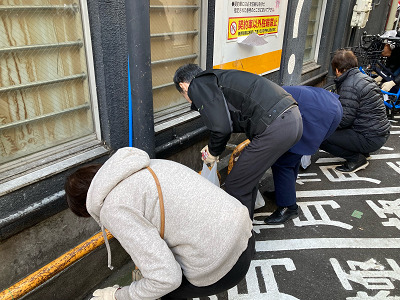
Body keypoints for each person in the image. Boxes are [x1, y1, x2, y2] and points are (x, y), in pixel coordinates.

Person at [65, 147, 254, 300]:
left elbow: (166, 279)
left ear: (86, 206)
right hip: (244, 229)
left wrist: (117, 295)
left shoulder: (113, 208)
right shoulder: (148, 163)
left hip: (224, 263)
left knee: (158, 292)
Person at [173, 64, 303, 220]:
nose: (189, 101)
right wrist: (214, 146)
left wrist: (213, 153)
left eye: (184, 95)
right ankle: (246, 225)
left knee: (236, 185)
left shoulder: (198, 84)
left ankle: (242, 240)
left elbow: (222, 127)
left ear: (183, 85)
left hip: (275, 125)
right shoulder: (217, 78)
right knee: (247, 178)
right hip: (292, 119)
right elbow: (231, 119)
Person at [264, 86, 343, 224]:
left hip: (322, 113)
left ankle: (289, 207)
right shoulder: (264, 91)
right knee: (294, 154)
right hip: (331, 106)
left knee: (283, 162)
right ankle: (283, 193)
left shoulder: (262, 100)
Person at [320, 49, 391, 173]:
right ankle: (363, 151)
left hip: (370, 137)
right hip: (379, 133)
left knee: (320, 135)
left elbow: (344, 120)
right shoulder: (364, 78)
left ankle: (356, 159)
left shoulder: (349, 85)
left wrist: (322, 123)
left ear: (337, 70)